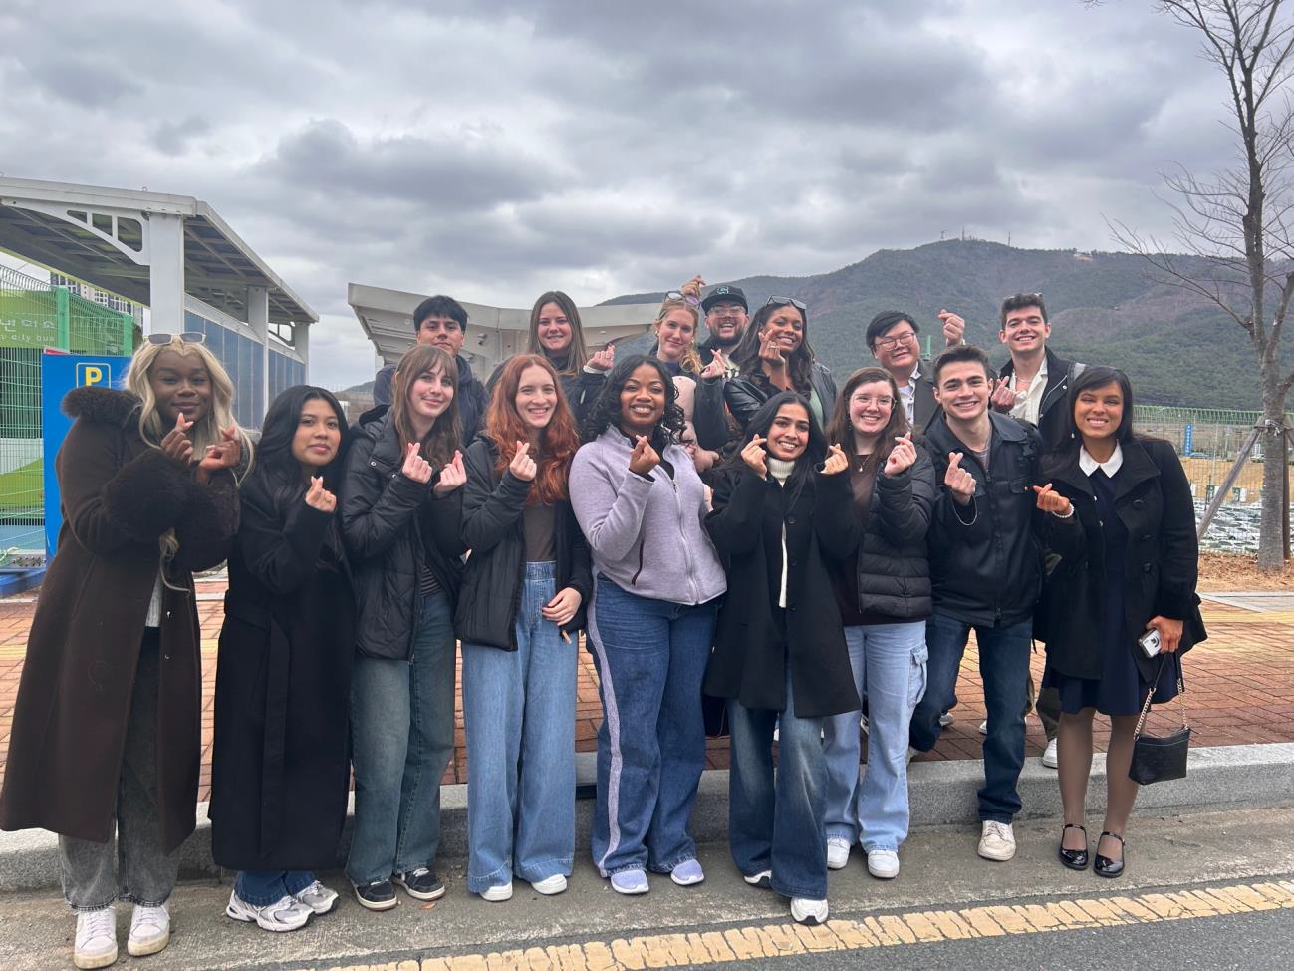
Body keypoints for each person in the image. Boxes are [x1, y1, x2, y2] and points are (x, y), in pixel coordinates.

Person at [0, 334, 244, 969]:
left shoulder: (197, 446)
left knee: (153, 764)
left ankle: (153, 895)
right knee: (85, 763)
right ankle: (91, 904)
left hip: (165, 633)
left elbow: (201, 551)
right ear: (145, 382)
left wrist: (212, 481)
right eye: (171, 377)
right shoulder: (96, 434)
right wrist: (161, 470)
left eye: (197, 379)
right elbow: (95, 526)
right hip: (90, 624)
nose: (186, 389)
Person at [569, 355, 727, 895]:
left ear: (666, 400)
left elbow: (692, 524)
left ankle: (672, 842)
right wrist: (636, 480)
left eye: (655, 389)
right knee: (633, 731)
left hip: (695, 606)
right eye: (633, 387)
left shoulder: (677, 451)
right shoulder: (592, 458)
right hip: (629, 604)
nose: (644, 396)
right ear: (614, 394)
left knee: (684, 729)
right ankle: (622, 849)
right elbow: (607, 544)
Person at [1038, 367, 1204, 878]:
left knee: (1129, 719)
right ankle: (1073, 822)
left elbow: (1180, 537)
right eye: (1088, 400)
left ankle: (1115, 829)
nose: (1099, 410)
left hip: (1141, 613)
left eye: (1111, 401)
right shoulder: (1055, 464)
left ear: (1125, 408)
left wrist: (1174, 611)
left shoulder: (1156, 458)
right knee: (1074, 715)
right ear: (1073, 408)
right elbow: (1058, 552)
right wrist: (1060, 517)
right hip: (1079, 610)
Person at [703, 392, 858, 926]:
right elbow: (732, 539)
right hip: (749, 634)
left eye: (801, 425)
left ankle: (804, 876)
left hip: (809, 637)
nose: (791, 433)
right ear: (763, 428)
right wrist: (753, 480)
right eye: (781, 423)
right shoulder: (732, 477)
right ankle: (754, 851)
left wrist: (836, 486)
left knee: (801, 749)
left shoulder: (823, 478)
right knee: (749, 753)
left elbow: (843, 545)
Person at [211, 386, 356, 932]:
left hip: (317, 649)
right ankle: (253, 886)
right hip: (265, 653)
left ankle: (295, 868)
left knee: (310, 756)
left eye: (332, 423)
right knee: (264, 761)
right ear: (283, 428)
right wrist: (311, 519)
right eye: (308, 422)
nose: (322, 433)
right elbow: (276, 572)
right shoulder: (254, 487)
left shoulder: (329, 485)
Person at [908, 345, 1060, 863]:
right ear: (937, 395)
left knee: (1009, 712)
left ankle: (999, 813)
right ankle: (918, 738)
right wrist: (957, 502)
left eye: (973, 382)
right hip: (950, 597)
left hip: (1013, 600)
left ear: (989, 385)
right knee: (932, 698)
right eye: (952, 385)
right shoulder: (927, 450)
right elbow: (926, 533)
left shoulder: (1024, 440)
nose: (965, 393)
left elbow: (1043, 514)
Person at [456, 355, 593, 901]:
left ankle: (543, 854)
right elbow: (473, 533)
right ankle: (490, 864)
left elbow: (583, 539)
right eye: (527, 391)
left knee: (552, 736)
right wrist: (513, 482)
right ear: (508, 397)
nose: (539, 399)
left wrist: (579, 589)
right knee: (493, 737)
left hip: (555, 597)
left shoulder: (569, 454)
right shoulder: (481, 454)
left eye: (547, 390)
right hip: (496, 600)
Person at [341, 345, 468, 911]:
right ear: (402, 383)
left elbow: (449, 543)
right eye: (427, 378)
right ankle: (370, 864)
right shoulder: (368, 444)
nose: (437, 389)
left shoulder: (446, 447)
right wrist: (408, 488)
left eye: (447, 381)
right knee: (385, 746)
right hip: (381, 612)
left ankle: (413, 856)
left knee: (434, 738)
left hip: (434, 609)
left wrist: (444, 498)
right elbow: (359, 537)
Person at [820, 368, 936, 880]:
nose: (873, 407)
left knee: (890, 731)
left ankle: (884, 831)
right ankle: (836, 824)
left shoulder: (914, 454)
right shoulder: (826, 454)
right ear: (846, 403)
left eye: (884, 400)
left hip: (897, 616)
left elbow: (911, 529)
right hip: (838, 615)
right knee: (839, 731)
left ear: (895, 407)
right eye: (863, 397)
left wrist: (896, 479)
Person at [989, 292, 1083, 768]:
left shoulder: (1073, 379)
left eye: (1032, 321)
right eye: (1014, 322)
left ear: (1047, 328)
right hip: (1006, 518)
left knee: (1062, 622)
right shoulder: (990, 382)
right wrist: (996, 411)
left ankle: (1056, 723)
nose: (1023, 328)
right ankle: (1013, 703)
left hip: (1057, 513)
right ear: (1003, 334)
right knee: (1009, 615)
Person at [372, 295, 489, 441]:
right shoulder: (390, 378)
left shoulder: (476, 391)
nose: (442, 333)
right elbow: (386, 434)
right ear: (418, 335)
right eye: (432, 327)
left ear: (462, 337)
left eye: (450, 327)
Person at [487, 291, 615, 421]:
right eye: (544, 322)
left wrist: (593, 376)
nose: (553, 328)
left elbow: (589, 424)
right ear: (535, 328)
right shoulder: (509, 370)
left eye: (561, 321)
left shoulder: (591, 378)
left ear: (574, 326)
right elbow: (486, 417)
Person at [722, 297, 837, 436]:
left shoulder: (821, 375)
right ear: (761, 329)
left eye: (797, 327)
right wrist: (777, 368)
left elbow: (837, 424)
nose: (790, 330)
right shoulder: (739, 387)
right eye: (780, 323)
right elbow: (774, 429)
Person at [865, 310, 965, 434]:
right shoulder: (865, 391)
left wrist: (956, 347)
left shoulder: (941, 376)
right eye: (889, 341)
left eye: (905, 337)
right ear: (874, 351)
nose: (899, 345)